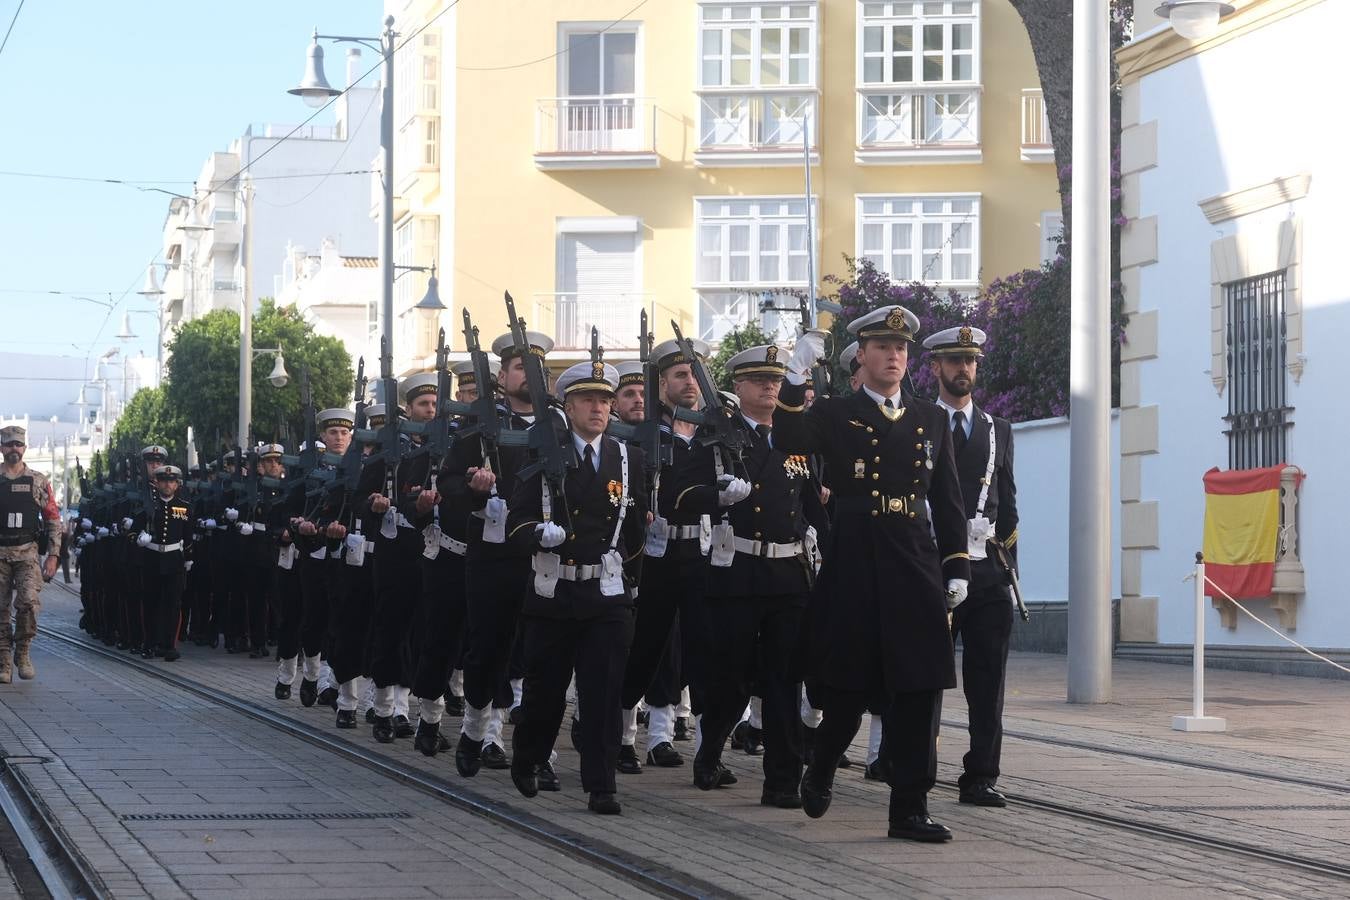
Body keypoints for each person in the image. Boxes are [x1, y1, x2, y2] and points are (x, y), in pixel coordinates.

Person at [773, 305, 970, 843]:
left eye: (902, 349)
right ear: (862, 355)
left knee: (920, 689)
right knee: (847, 691)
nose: (894, 356)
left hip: (913, 563)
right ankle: (822, 764)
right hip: (856, 561)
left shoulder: (930, 418)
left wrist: (957, 567)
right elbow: (787, 438)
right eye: (883, 347)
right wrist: (795, 376)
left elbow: (949, 501)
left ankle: (909, 808)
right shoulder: (837, 413)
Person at [684, 345, 824, 808]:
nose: (770, 387)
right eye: (759, 379)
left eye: (777, 379)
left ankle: (782, 780)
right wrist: (715, 497)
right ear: (738, 387)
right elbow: (678, 499)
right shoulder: (714, 438)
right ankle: (710, 748)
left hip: (788, 574)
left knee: (785, 679)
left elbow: (814, 511)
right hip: (738, 573)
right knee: (732, 678)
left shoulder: (797, 440)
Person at [506, 359, 647, 815]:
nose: (599, 408)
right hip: (555, 590)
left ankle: (601, 785)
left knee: (603, 693)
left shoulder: (627, 458)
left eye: (605, 401)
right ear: (567, 405)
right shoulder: (545, 453)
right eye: (588, 399)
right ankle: (528, 757)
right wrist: (536, 534)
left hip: (604, 594)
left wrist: (623, 571)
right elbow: (517, 521)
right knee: (545, 692)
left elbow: (638, 525)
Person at [923, 325, 1019, 808]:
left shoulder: (996, 429)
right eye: (954, 360)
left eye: (971, 361)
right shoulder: (918, 422)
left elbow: (1009, 503)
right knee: (926, 678)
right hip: (932, 566)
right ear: (936, 367)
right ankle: (917, 770)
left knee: (988, 682)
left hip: (985, 571)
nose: (964, 369)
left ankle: (981, 775)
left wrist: (1007, 569)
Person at [615, 342, 711, 774]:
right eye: (679, 376)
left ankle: (683, 742)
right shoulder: (640, 435)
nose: (689, 382)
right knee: (646, 646)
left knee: (699, 651)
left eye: (693, 374)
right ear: (662, 385)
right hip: (653, 553)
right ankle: (622, 736)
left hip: (703, 551)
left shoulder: (710, 431)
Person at [0, 425, 62, 682]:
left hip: (27, 552)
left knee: (28, 604)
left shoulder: (38, 480)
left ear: (25, 448)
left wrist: (53, 555)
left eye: (18, 444)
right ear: (2, 448)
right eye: (9, 444)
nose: (14, 449)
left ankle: (22, 652)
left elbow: (53, 518)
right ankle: (3, 660)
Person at [136, 465, 194, 661]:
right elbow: (132, 531)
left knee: (173, 605)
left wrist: (189, 558)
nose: (167, 484)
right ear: (157, 483)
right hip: (152, 559)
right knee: (151, 604)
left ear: (177, 484)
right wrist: (138, 538)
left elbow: (188, 536)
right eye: (163, 481)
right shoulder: (147, 505)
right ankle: (149, 644)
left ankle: (169, 645)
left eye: (171, 481)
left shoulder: (185, 507)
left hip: (174, 561)